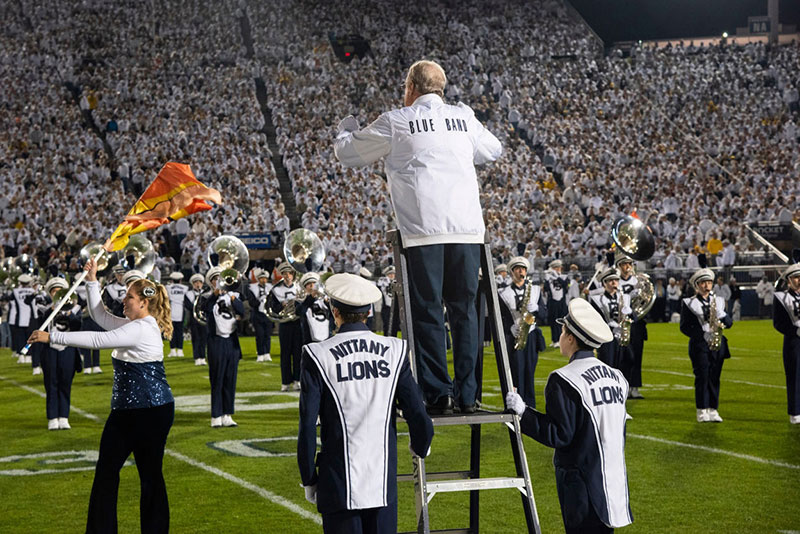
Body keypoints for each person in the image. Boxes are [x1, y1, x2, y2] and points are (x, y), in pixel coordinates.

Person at [334, 59, 502, 415]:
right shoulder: (463, 118)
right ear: (441, 89)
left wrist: (345, 130)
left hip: (424, 232)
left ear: (411, 87)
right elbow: (493, 150)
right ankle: (469, 395)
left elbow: (348, 154)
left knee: (427, 312)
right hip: (468, 231)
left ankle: (437, 394)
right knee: (465, 313)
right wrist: (467, 123)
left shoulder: (397, 120)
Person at [27, 257, 174, 534]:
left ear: (143, 302)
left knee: (150, 475)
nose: (124, 301)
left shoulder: (142, 327)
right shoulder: (133, 324)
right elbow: (100, 316)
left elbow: (98, 340)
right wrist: (92, 280)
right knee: (107, 473)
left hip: (151, 412)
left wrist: (53, 337)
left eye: (129, 297)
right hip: (127, 412)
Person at [297, 273, 434, 534]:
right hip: (382, 483)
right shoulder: (395, 350)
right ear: (369, 311)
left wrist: (309, 478)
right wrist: (421, 444)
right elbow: (417, 411)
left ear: (333, 311)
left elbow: (306, 425)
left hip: (337, 483)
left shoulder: (316, 354)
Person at [505, 299, 633, 534]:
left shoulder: (563, 378)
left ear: (571, 338)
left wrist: (523, 412)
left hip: (581, 483)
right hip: (614, 478)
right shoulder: (617, 377)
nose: (561, 336)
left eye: (563, 331)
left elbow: (559, 434)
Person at [680, 268, 733, 423]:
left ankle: (713, 409)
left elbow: (729, 324)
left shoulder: (720, 302)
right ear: (697, 285)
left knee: (715, 377)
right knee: (702, 377)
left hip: (718, 344)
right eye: (703, 283)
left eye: (709, 282)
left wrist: (723, 316)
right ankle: (702, 409)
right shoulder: (689, 303)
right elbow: (684, 327)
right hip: (699, 345)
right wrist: (701, 333)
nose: (707, 286)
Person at [36, 277, 83, 430]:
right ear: (50, 294)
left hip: (67, 349)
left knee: (65, 383)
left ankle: (64, 416)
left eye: (59, 291)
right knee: (51, 383)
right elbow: (39, 327)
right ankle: (52, 418)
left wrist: (69, 312)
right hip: (50, 349)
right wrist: (51, 310)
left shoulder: (74, 308)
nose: (57, 294)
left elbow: (78, 327)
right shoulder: (45, 309)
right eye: (54, 292)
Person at [498, 256, 543, 408]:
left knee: (529, 372)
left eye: (523, 269)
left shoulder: (535, 290)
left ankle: (530, 406)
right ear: (511, 272)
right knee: (515, 373)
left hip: (530, 336)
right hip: (514, 337)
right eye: (517, 269)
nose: (521, 272)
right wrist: (509, 328)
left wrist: (536, 309)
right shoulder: (503, 293)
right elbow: (499, 317)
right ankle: (513, 405)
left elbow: (545, 313)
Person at [204, 266, 245, 428]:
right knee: (217, 378)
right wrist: (215, 296)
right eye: (215, 279)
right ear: (212, 282)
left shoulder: (233, 296)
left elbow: (242, 311)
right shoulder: (206, 297)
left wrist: (232, 297)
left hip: (232, 342)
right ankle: (216, 415)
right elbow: (205, 309)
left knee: (230, 379)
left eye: (220, 279)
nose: (218, 282)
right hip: (216, 341)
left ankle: (227, 414)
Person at [590, 268, 633, 378]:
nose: (614, 283)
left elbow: (633, 317)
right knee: (608, 363)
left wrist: (631, 315)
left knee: (629, 359)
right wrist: (611, 328)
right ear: (604, 284)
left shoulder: (625, 297)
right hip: (607, 337)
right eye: (610, 281)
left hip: (622, 336)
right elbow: (597, 320)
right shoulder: (597, 300)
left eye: (616, 280)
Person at [616, 256, 647, 399]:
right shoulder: (615, 281)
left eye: (629, 263)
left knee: (637, 356)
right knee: (623, 357)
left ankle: (635, 387)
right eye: (624, 264)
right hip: (620, 323)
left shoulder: (638, 281)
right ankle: (623, 385)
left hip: (637, 323)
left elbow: (647, 300)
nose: (627, 266)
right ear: (619, 266)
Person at [772, 263, 800, 424]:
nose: (799, 281)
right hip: (794, 342)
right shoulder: (782, 298)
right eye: (796, 278)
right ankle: (795, 412)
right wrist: (795, 331)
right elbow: (778, 323)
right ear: (789, 281)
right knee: (794, 377)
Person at [269, 262, 303, 391]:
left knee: (298, 353)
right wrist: (282, 305)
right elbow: (273, 308)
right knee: (285, 354)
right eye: (285, 273)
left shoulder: (299, 288)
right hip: (285, 324)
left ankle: (297, 380)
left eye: (290, 273)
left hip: (297, 323)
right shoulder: (276, 290)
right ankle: (285, 382)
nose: (288, 276)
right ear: (282, 275)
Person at [296, 272, 331, 344]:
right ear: (305, 288)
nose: (312, 286)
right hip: (309, 339)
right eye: (309, 284)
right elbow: (300, 312)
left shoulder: (324, 300)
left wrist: (328, 303)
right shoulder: (301, 301)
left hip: (327, 338)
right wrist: (311, 297)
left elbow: (334, 314)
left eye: (314, 283)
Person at [246, 268, 273, 362]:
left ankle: (267, 353)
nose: (263, 280)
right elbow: (251, 301)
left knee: (267, 335)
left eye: (265, 278)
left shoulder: (270, 287)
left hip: (268, 314)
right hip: (257, 314)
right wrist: (260, 301)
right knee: (260, 335)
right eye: (261, 278)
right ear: (258, 279)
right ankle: (260, 353)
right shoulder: (252, 288)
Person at [184, 273, 208, 366]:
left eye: (199, 282)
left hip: (204, 319)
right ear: (192, 284)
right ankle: (197, 357)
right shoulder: (189, 294)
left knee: (204, 338)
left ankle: (203, 357)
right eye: (195, 282)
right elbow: (188, 305)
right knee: (196, 338)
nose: (198, 284)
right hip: (194, 319)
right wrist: (197, 307)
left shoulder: (206, 293)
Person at [544, 259, 569, 348]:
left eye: (558, 268)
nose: (557, 269)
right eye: (555, 268)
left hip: (561, 302)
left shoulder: (564, 276)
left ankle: (561, 340)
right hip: (552, 302)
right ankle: (554, 340)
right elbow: (546, 289)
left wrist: (557, 276)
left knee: (561, 321)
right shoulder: (549, 277)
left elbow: (564, 285)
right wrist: (547, 279)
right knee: (552, 321)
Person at [166, 271, 188, 357]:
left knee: (171, 332)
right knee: (180, 332)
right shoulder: (185, 288)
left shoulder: (168, 287)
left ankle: (172, 350)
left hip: (171, 311)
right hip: (181, 311)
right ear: (181, 280)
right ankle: (180, 350)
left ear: (172, 280)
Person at [376, 266, 399, 337]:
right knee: (387, 325)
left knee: (395, 325)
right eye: (390, 274)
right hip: (387, 307)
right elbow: (380, 284)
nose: (392, 275)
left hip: (395, 307)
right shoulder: (384, 281)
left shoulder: (397, 282)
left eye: (393, 274)